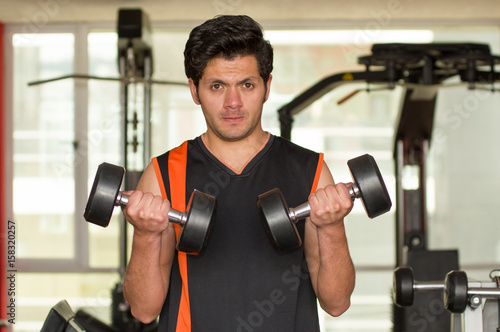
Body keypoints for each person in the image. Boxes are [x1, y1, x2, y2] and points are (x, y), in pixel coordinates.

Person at [122, 15, 355, 331]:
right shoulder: (164, 173)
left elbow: (337, 303)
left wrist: (332, 227)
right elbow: (144, 309)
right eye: (217, 86)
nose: (233, 103)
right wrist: (146, 235)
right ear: (194, 90)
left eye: (246, 85)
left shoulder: (309, 171)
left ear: (266, 86)